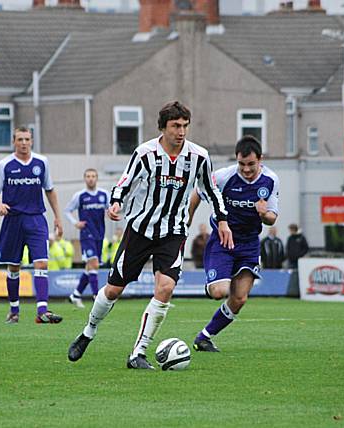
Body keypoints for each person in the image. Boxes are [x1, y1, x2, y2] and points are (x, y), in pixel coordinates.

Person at [68, 101, 232, 370]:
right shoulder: (145, 153)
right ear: (163, 127)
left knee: (165, 288)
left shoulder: (199, 157)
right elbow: (125, 181)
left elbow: (211, 191)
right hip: (141, 229)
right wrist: (116, 202)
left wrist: (222, 221)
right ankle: (88, 331)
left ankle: (138, 353)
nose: (181, 131)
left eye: (184, 126)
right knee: (113, 289)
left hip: (174, 231)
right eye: (175, 126)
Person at [188, 135, 279, 352]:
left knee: (239, 299)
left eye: (251, 164)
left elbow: (273, 218)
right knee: (220, 291)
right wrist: (187, 221)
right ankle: (212, 283)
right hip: (223, 240)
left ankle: (204, 337)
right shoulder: (223, 176)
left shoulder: (270, 180)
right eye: (241, 164)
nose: (246, 169)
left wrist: (264, 214)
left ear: (260, 160)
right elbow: (197, 193)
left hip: (249, 243)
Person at [0, 126, 64, 324]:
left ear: (32, 141)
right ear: (13, 141)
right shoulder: (4, 164)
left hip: (36, 219)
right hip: (13, 221)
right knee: (14, 267)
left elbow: (50, 190)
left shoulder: (42, 162)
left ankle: (42, 311)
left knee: (41, 263)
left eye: (27, 139)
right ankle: (14, 310)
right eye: (20, 139)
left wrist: (58, 217)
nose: (24, 143)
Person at [64, 168, 110, 309]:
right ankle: (96, 296)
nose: (91, 179)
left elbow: (111, 209)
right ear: (85, 179)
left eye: (93, 176)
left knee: (90, 266)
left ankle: (76, 295)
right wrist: (75, 223)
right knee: (94, 264)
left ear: (97, 178)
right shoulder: (80, 196)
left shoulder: (104, 195)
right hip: (86, 234)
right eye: (88, 176)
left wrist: (112, 212)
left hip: (99, 234)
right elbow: (67, 211)